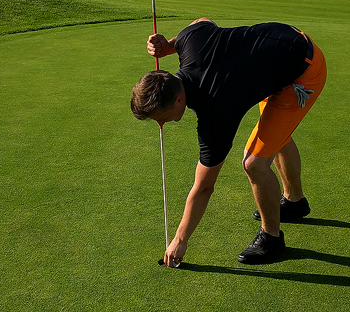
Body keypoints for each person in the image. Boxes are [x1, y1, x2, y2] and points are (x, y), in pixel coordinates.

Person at [130, 18, 327, 266]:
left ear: (179, 100)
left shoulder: (215, 110)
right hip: (278, 47)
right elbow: (203, 22)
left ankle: (272, 238)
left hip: (302, 69)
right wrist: (169, 46)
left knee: (254, 163)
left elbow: (204, 187)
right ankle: (294, 203)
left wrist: (180, 239)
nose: (161, 124)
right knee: (273, 135)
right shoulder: (190, 41)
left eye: (161, 117)